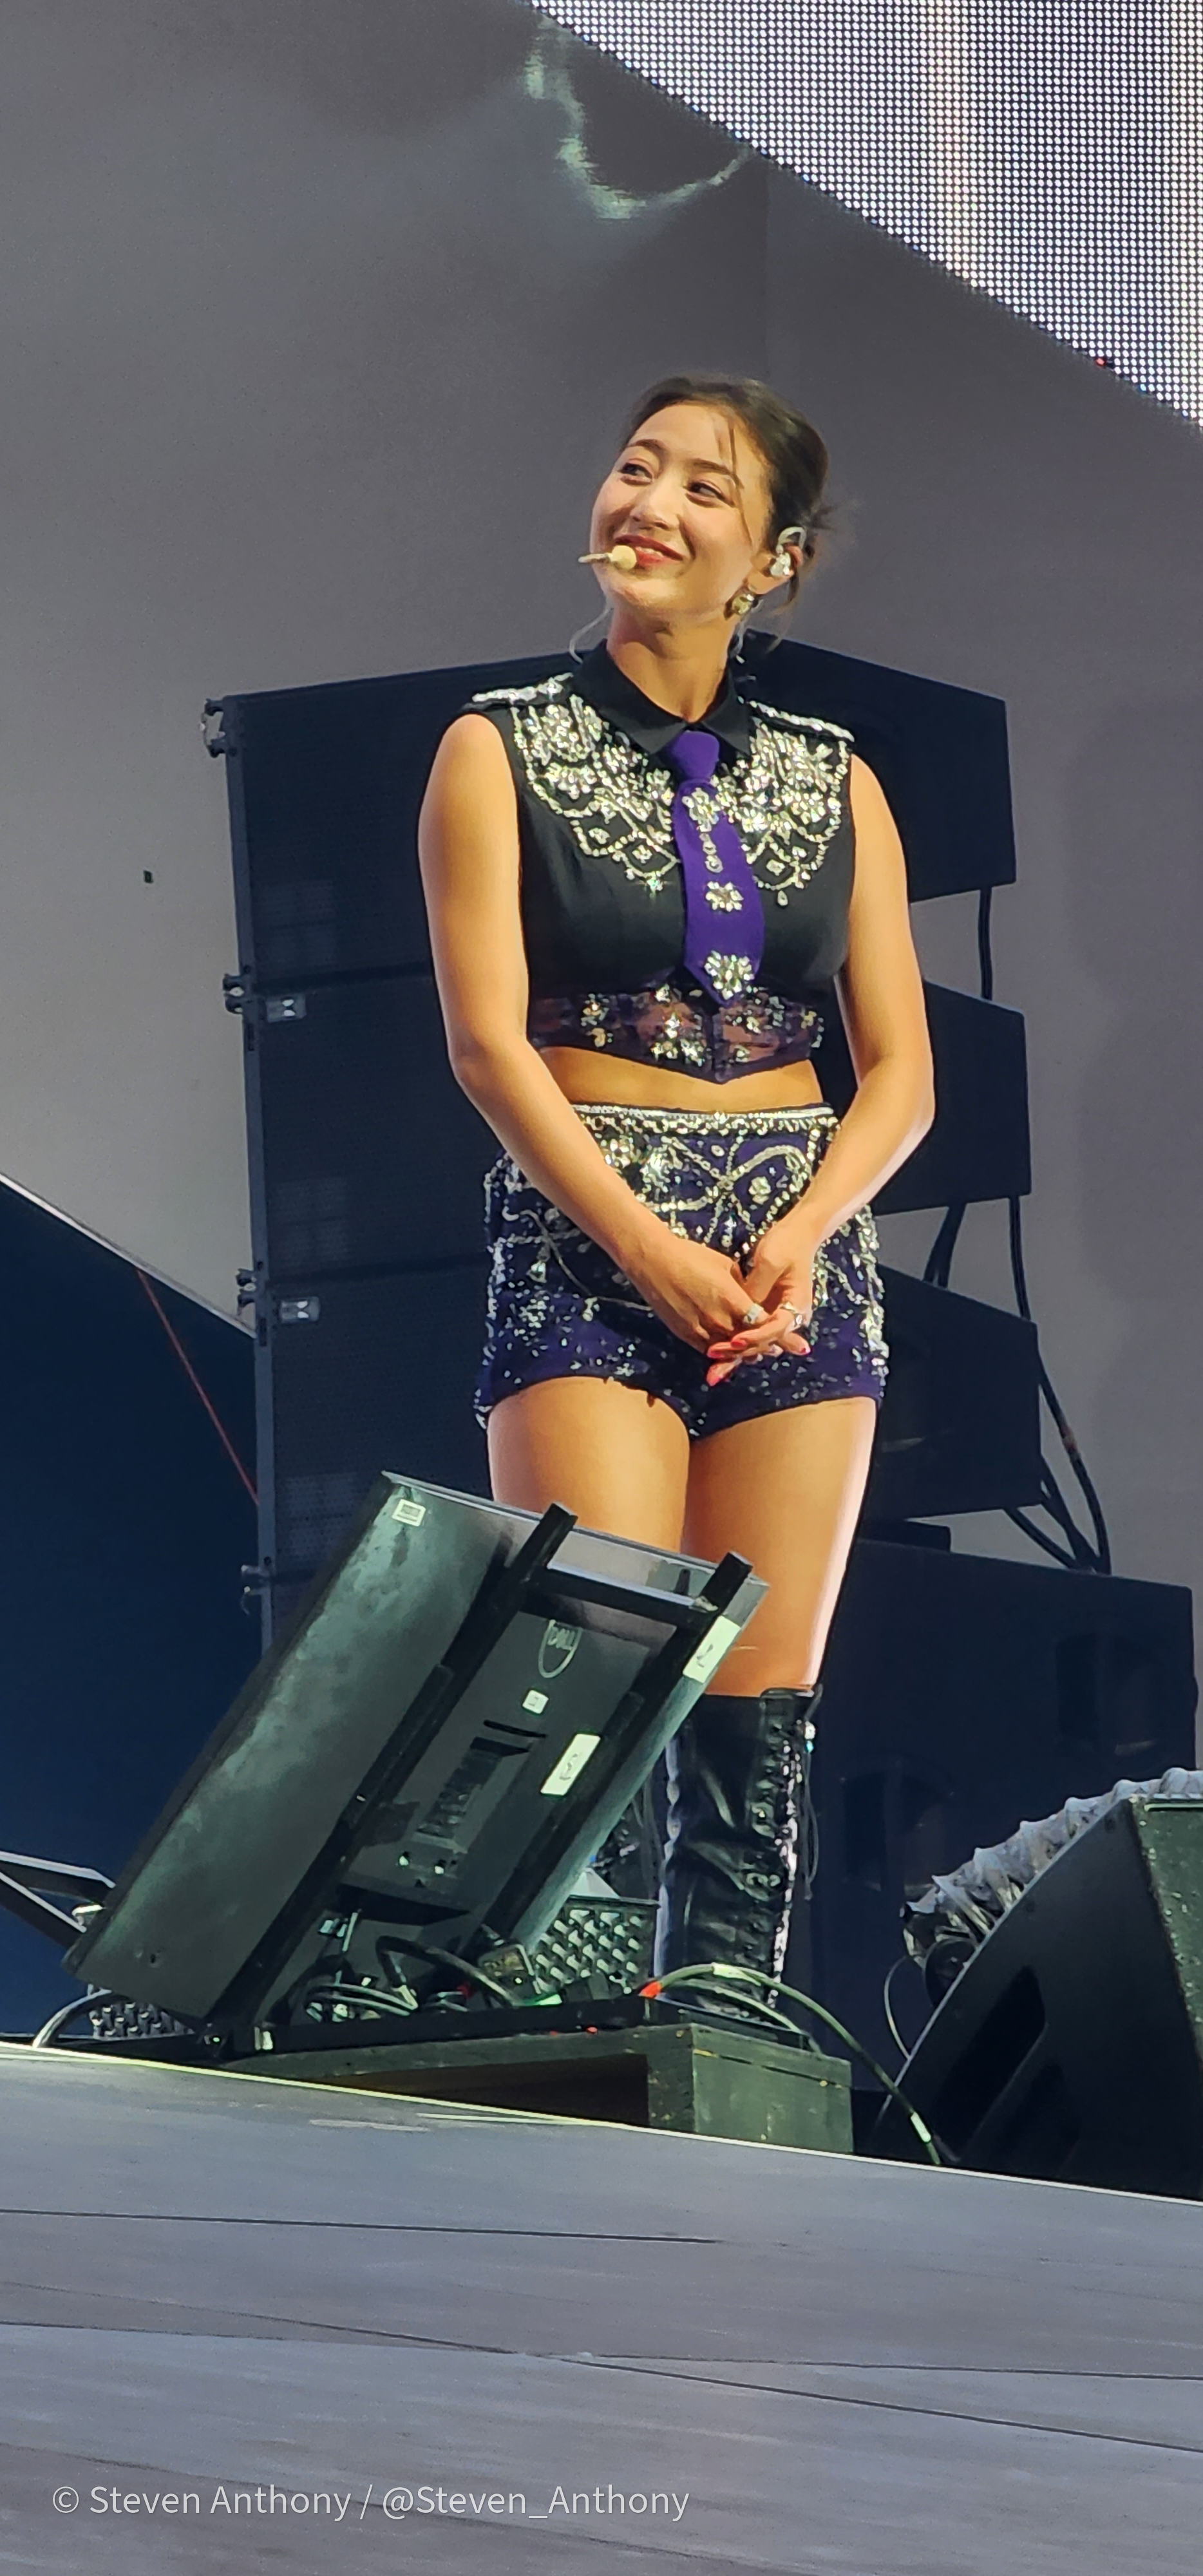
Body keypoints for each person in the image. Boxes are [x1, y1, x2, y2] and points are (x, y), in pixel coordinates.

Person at [418, 373, 933, 1992]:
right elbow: (489, 1047)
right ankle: (544, 2051)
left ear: (773, 560)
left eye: (704, 487)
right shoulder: (496, 746)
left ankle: (721, 2048)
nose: (648, 502)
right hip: (592, 1235)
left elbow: (901, 1074)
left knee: (755, 1722)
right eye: (636, 467)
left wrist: (802, 1233)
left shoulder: (839, 775)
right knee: (588, 1669)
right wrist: (646, 1245)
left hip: (795, 1254)